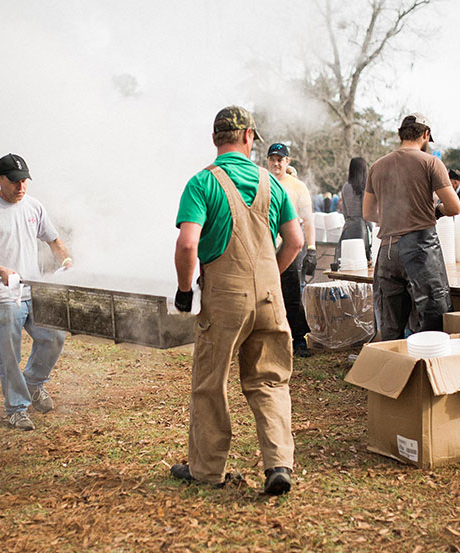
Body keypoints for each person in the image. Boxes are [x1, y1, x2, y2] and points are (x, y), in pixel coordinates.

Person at [172, 106, 302, 495]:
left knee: (211, 383)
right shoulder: (272, 183)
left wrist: (183, 291)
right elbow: (295, 241)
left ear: (216, 139)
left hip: (224, 298)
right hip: (269, 296)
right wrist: (269, 276)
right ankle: (278, 463)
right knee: (270, 381)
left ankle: (207, 469)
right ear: (248, 136)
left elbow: (188, 243)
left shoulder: (202, 183)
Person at [0, 153, 72, 431]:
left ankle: (34, 383)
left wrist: (66, 260)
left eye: (24, 181)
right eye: (14, 181)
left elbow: (55, 240)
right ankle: (17, 408)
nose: (20, 187)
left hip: (33, 292)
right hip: (2, 297)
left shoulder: (34, 207)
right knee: (9, 354)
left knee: (54, 336)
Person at [363, 113, 460, 340]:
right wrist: (436, 211)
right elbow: (454, 207)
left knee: (390, 325)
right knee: (431, 321)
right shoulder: (430, 162)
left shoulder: (377, 166)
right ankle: (424, 372)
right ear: (426, 135)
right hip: (419, 249)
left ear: (401, 134)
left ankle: (393, 372)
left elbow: (368, 213)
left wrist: (391, 218)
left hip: (387, 250)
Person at [266, 142, 315, 357]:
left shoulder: (297, 186)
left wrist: (312, 249)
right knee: (266, 294)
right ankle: (270, 339)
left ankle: (298, 339)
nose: (276, 163)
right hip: (266, 245)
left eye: (280, 159)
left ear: (287, 162)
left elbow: (308, 220)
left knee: (292, 293)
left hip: (290, 246)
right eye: (273, 159)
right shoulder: (262, 183)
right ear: (268, 161)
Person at [338, 157, 372, 263]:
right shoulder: (364, 187)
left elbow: (344, 211)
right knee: (362, 261)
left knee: (348, 260)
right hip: (361, 227)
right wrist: (371, 228)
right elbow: (366, 212)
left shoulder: (345, 187)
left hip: (348, 226)